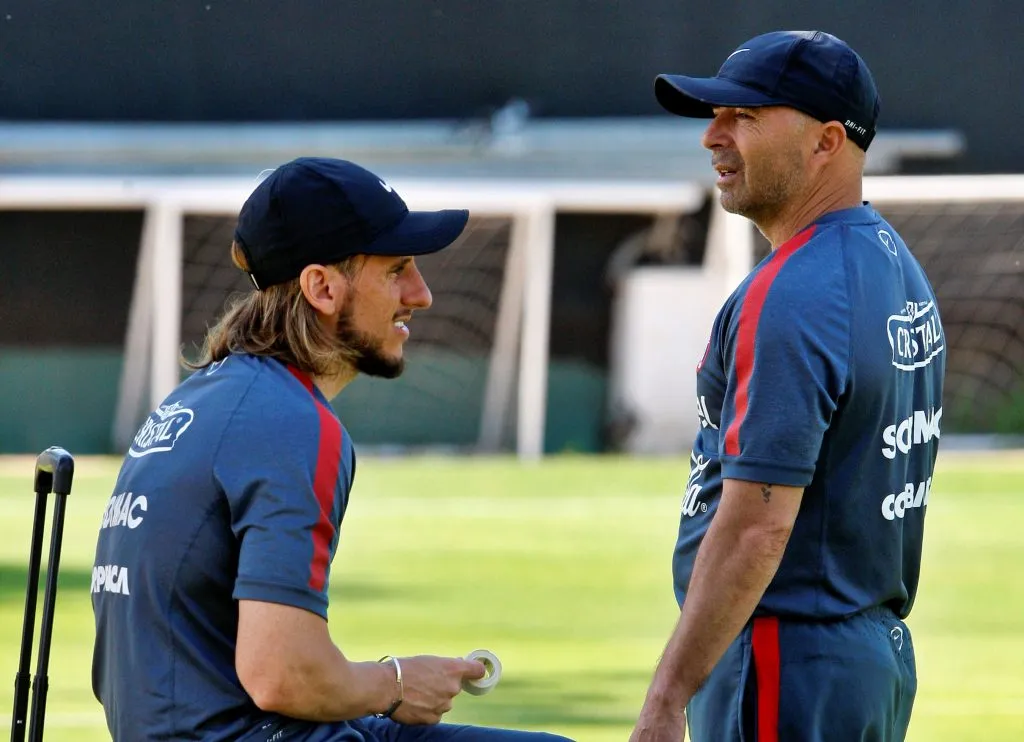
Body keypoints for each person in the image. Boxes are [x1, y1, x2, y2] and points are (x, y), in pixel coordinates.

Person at [91, 157, 573, 742]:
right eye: (397, 269)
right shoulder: (293, 422)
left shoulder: (198, 400)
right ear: (321, 287)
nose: (421, 295)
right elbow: (282, 674)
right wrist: (398, 682)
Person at [630, 31, 945, 742]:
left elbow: (757, 527)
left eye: (744, 116)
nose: (712, 136)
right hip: (863, 661)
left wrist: (667, 698)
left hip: (787, 660)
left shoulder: (793, 293)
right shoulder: (896, 266)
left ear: (827, 141)